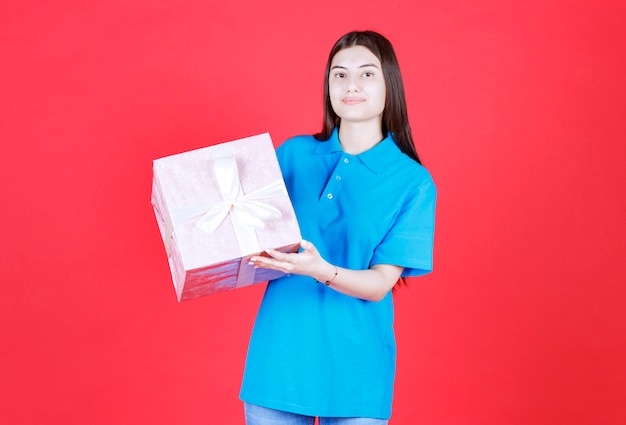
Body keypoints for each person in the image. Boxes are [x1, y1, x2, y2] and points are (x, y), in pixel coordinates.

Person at [240, 30, 437, 425]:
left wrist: (319, 270)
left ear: (389, 85)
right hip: (279, 359)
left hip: (357, 369)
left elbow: (380, 284)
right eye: (339, 74)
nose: (351, 86)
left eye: (367, 74)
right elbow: (243, 230)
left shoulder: (412, 181)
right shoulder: (292, 154)